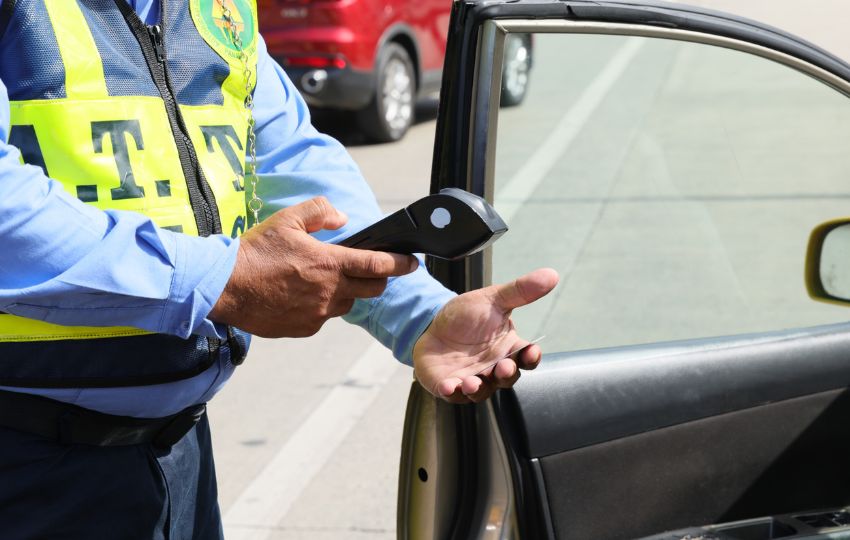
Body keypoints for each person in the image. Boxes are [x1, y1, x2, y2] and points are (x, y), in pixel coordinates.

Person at [0, 0, 558, 538]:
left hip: (177, 453)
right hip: (24, 458)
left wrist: (421, 312)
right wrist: (221, 278)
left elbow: (288, 157)